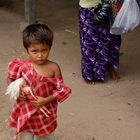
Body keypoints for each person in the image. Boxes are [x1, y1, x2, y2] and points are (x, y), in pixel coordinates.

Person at [6, 23, 71, 140]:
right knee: (25, 135)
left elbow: (62, 90)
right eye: (34, 51)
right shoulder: (21, 66)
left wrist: (46, 100)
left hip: (45, 113)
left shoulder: (53, 68)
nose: (40, 55)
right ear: (27, 50)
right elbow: (10, 80)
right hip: (25, 110)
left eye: (44, 50)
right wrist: (19, 91)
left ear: (50, 48)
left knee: (44, 136)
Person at [79, 0, 121, 83]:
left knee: (112, 39)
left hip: (110, 5)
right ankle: (89, 74)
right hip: (89, 7)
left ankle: (110, 67)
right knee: (89, 42)